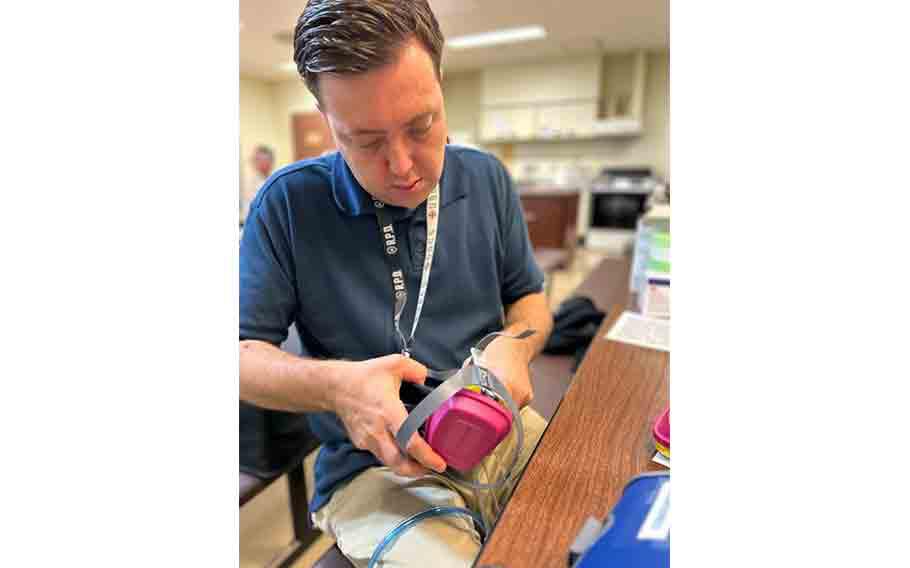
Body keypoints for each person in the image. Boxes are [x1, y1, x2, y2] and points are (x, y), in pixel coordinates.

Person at [239, 1, 554, 565]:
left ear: (440, 80)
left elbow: (530, 300)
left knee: (589, 526)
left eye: (421, 125)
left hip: (493, 421)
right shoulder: (285, 205)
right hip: (374, 467)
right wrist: (337, 387)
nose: (404, 165)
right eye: (365, 140)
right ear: (326, 122)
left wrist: (517, 344)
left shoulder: (486, 180)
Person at [240, 145, 275, 225]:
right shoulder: (248, 182)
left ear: (271, 161)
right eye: (257, 160)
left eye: (264, 160)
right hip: (255, 224)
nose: (260, 163)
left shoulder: (277, 179)